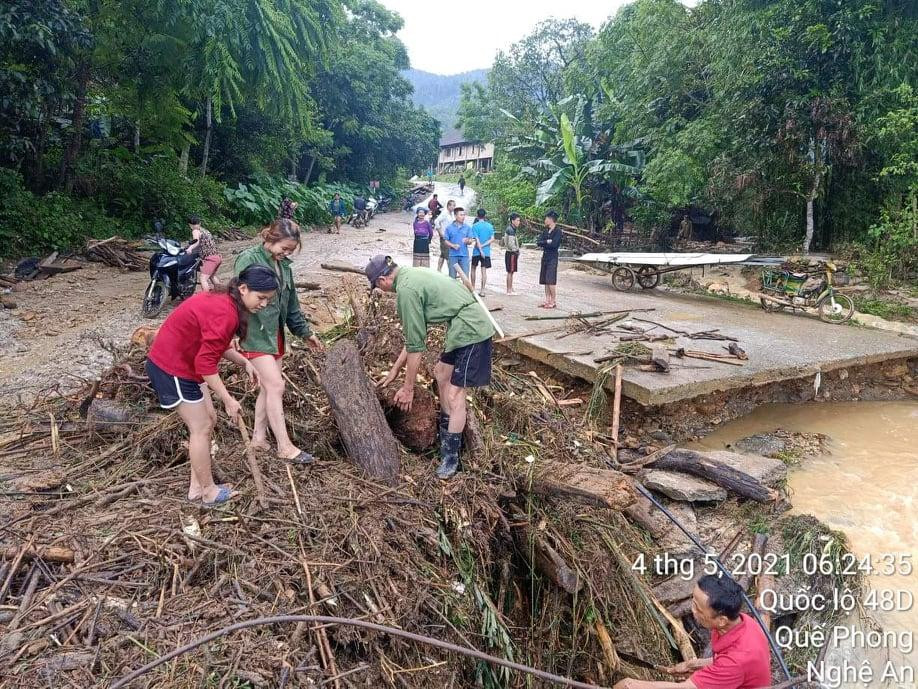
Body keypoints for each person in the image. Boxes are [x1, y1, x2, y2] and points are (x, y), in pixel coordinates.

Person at [145, 266, 279, 506]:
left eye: (268, 299)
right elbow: (205, 364)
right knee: (201, 427)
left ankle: (197, 487)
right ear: (243, 288)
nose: (264, 304)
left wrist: (244, 362)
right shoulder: (226, 311)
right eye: (261, 298)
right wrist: (228, 399)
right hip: (171, 368)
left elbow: (217, 346)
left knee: (209, 421)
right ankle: (207, 491)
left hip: (183, 366)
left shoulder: (228, 301)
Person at [367, 256, 495, 480]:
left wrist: (408, 389)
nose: (381, 291)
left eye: (378, 286)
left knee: (456, 395)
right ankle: (446, 431)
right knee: (441, 373)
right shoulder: (411, 275)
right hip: (460, 326)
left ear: (382, 280)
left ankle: (450, 456)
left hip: (472, 329)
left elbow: (416, 346)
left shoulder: (406, 291)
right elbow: (414, 338)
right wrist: (396, 369)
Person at [234, 219, 325, 464]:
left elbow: (292, 304)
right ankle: (284, 446)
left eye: (290, 251)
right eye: (283, 248)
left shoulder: (284, 266)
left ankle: (259, 438)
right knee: (276, 386)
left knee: (268, 387)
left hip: (275, 334)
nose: (285, 254)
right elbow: (237, 296)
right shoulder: (248, 259)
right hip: (254, 334)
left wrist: (305, 333)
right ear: (270, 238)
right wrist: (233, 334)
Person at [613, 574, 771, 689]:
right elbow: (728, 659)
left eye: (698, 609)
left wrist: (632, 685)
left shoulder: (735, 663)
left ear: (721, 620)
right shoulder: (742, 622)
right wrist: (696, 664)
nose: (692, 610)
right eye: (693, 602)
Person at [186, 215, 221, 292]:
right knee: (212, 276)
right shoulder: (205, 231)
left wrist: (190, 248)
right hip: (217, 257)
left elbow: (196, 242)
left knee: (203, 278)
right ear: (200, 223)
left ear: (190, 225)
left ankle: (206, 297)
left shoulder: (195, 231)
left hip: (210, 258)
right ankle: (221, 293)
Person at [537, 210, 562, 309]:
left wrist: (546, 243)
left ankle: (553, 300)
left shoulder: (558, 231)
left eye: (546, 218)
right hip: (545, 256)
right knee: (545, 280)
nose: (545, 220)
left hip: (552, 257)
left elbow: (554, 244)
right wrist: (547, 241)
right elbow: (539, 242)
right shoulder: (545, 231)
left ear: (551, 219)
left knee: (551, 279)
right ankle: (547, 299)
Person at [443, 207, 474, 279]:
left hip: (464, 256)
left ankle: (465, 290)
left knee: (465, 277)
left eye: (464, 215)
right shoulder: (449, 228)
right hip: (453, 255)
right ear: (455, 216)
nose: (463, 217)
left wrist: (468, 241)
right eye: (461, 215)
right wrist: (453, 245)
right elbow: (445, 240)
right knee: (452, 277)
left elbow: (470, 240)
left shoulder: (467, 227)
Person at [470, 208, 495, 296]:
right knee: (483, 271)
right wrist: (484, 246)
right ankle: (482, 290)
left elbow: (476, 239)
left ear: (477, 215)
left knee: (473, 268)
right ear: (485, 216)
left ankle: (472, 288)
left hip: (476, 251)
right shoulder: (490, 226)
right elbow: (492, 239)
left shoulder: (475, 226)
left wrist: (480, 249)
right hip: (486, 251)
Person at [434, 199, 456, 273]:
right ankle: (451, 272)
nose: (453, 207)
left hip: (450, 237)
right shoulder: (444, 213)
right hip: (444, 236)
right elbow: (436, 221)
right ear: (448, 206)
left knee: (443, 254)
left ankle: (438, 270)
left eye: (454, 205)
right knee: (448, 254)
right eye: (452, 205)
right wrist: (440, 232)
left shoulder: (451, 214)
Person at [502, 212, 522, 295]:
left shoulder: (512, 229)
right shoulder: (510, 230)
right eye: (517, 220)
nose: (519, 222)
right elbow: (510, 243)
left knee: (511, 271)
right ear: (512, 221)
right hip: (511, 253)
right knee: (510, 271)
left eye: (519, 220)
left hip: (510, 253)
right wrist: (516, 250)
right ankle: (509, 290)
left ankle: (510, 288)